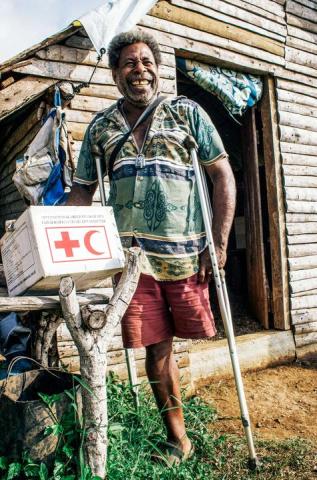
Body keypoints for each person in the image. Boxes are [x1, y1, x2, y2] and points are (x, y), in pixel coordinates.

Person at [67, 29, 236, 465]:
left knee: (178, 342)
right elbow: (82, 193)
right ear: (115, 73)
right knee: (155, 348)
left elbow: (222, 176)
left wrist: (217, 244)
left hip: (185, 256)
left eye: (146, 62)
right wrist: (55, 236)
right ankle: (178, 438)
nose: (139, 70)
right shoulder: (102, 127)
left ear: (156, 69)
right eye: (129, 63)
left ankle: (181, 418)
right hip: (132, 264)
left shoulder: (187, 112)